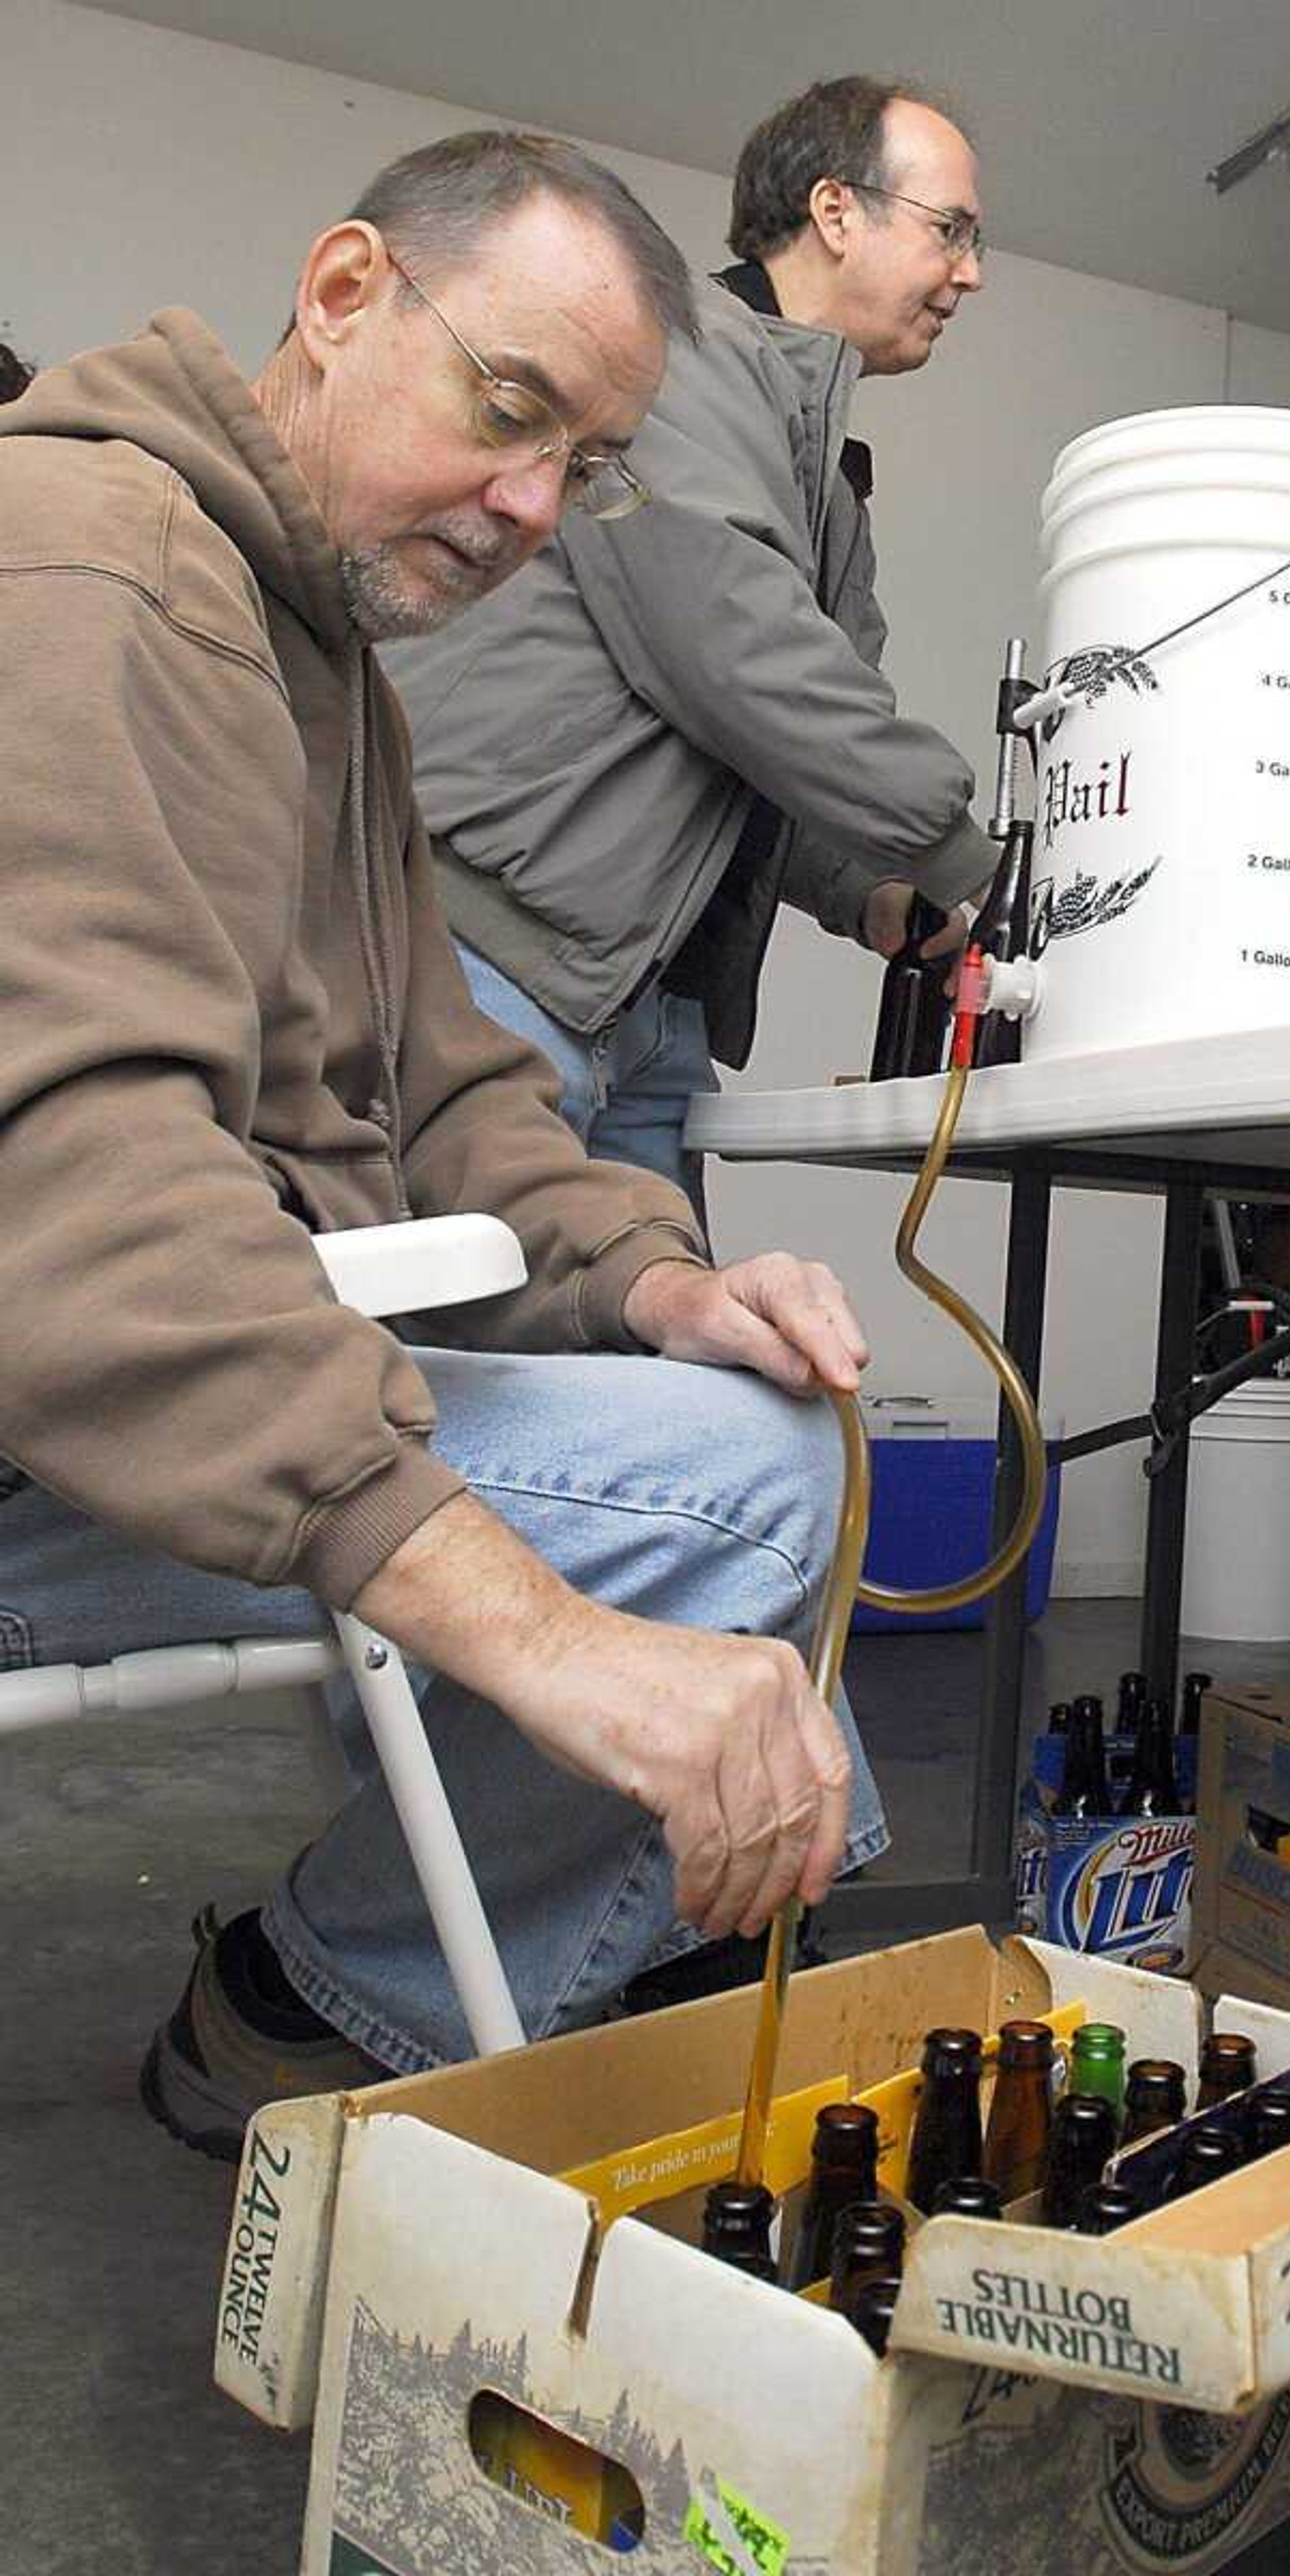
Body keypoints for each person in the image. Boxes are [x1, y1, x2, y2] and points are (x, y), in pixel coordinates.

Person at [0, 129, 889, 2156]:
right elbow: (70, 1199)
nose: (530, 508)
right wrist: (560, 1645)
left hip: (116, 1406)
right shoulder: (89, 569)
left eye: (584, 464)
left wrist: (658, 1273)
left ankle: (589, 1937)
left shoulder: (317, 659)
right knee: (754, 1495)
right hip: (44, 1431)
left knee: (751, 1404)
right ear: (339, 295)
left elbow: (455, 1076)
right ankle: (316, 2001)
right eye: (510, 409)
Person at [383, 78, 999, 1208]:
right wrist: (990, 869)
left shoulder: (832, 491)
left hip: (648, 1012)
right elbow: (742, 663)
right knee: (458, 1358)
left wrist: (872, 890)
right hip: (498, 974)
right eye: (950, 230)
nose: (971, 272)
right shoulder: (672, 355)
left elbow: (784, 757)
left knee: (651, 1363)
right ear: (835, 210)